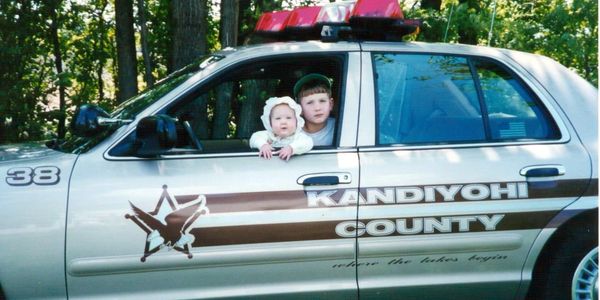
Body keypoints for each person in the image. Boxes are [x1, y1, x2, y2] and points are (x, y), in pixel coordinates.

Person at [249, 96, 313, 161]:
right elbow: (254, 138)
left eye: (288, 118)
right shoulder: (269, 135)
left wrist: (291, 148)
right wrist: (263, 145)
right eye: (278, 118)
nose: (283, 122)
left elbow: (308, 143)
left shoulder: (298, 136)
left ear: (297, 121)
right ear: (270, 123)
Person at [293, 73, 335, 146]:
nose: (317, 108)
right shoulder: (292, 132)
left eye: (322, 101)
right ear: (300, 109)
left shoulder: (339, 128)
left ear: (330, 104)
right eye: (310, 103)